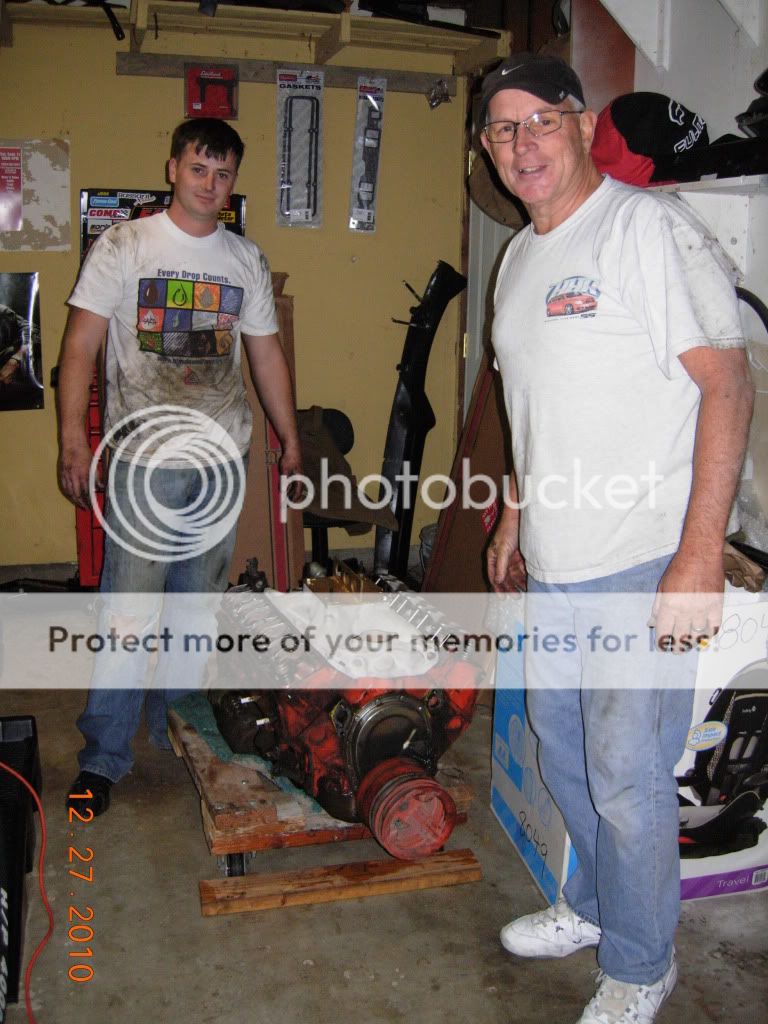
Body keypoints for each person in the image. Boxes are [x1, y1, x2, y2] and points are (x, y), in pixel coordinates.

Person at [480, 54, 754, 1024]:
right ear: (487, 149)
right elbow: (535, 403)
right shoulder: (519, 258)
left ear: (583, 124)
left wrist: (699, 554)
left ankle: (642, 965)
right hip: (558, 564)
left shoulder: (646, 229)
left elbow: (728, 385)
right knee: (563, 754)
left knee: (628, 781)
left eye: (540, 121)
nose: (523, 145)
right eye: (502, 129)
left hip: (640, 561)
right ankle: (595, 906)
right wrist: (514, 512)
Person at [58, 118, 302, 817]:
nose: (209, 185)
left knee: (195, 611)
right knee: (129, 612)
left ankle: (181, 735)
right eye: (199, 169)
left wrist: (289, 437)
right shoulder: (125, 245)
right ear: (173, 169)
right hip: (144, 459)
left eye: (223, 175)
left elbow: (265, 355)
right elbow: (79, 346)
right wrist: (73, 440)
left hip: (221, 459)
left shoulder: (244, 259)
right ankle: (103, 757)